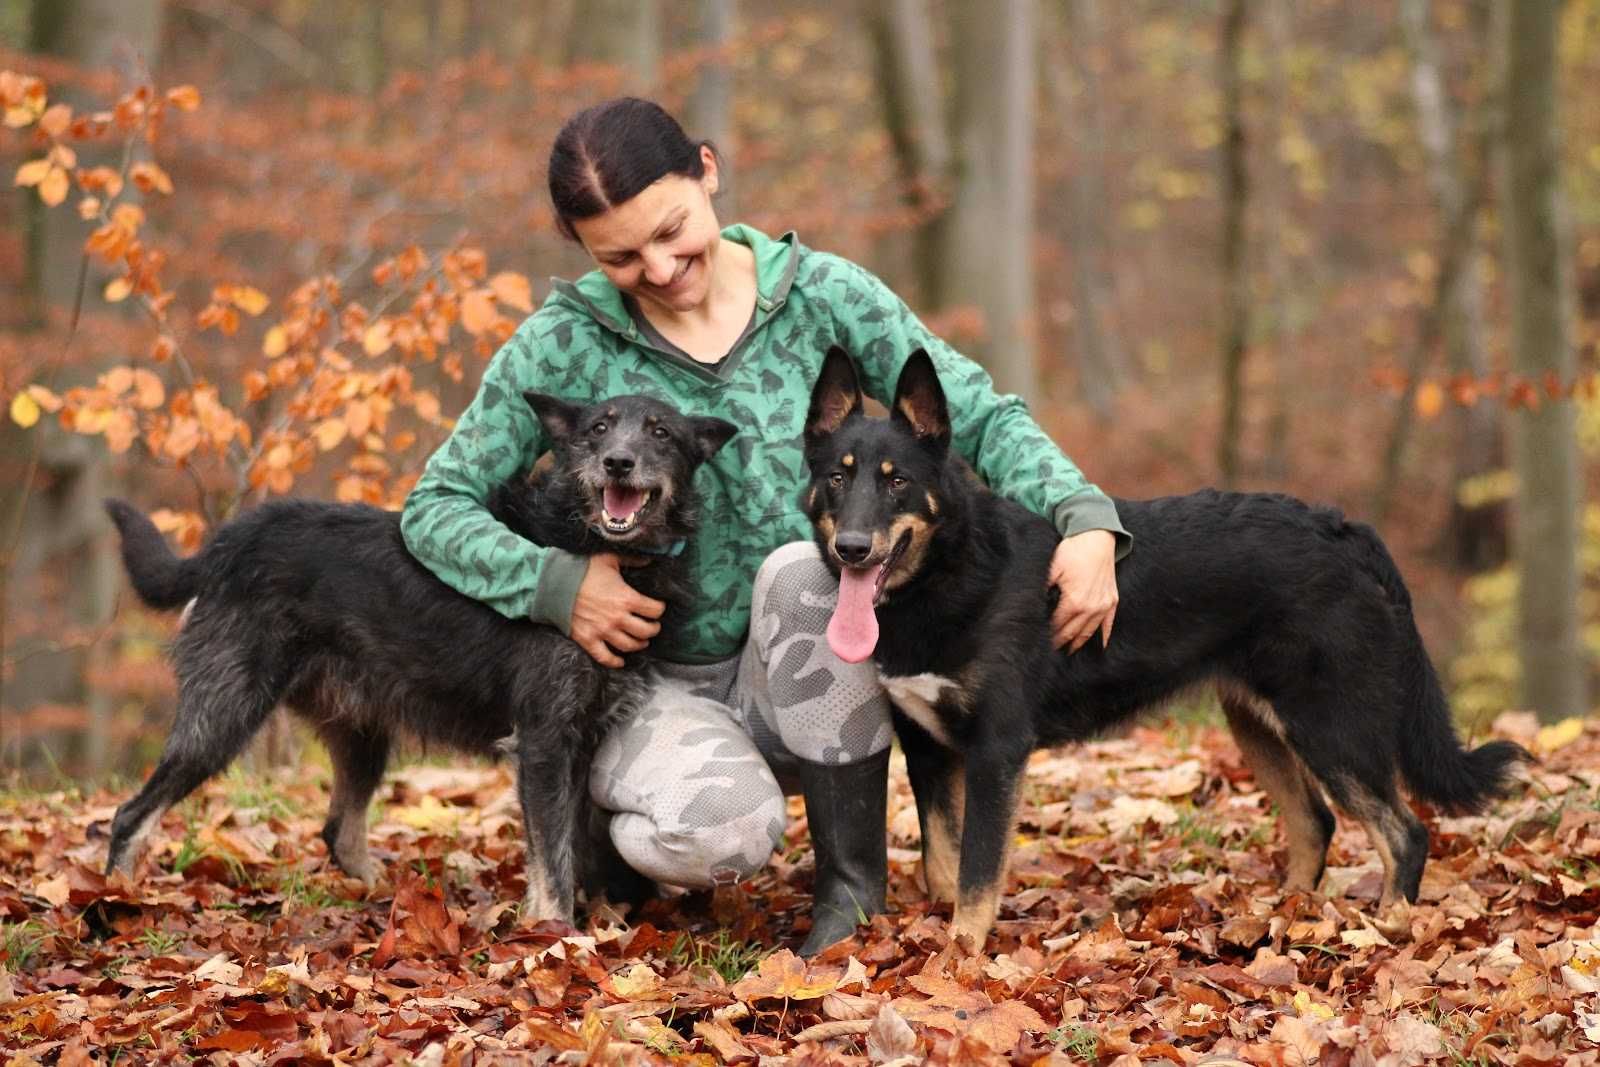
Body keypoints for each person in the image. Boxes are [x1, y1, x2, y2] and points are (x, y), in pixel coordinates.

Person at [400, 97, 1129, 955]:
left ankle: (851, 887)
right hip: (647, 685)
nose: (663, 268)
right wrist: (557, 586)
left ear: (707, 172)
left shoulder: (825, 295)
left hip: (813, 679)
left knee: (801, 565)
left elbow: (976, 416)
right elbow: (434, 505)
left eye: (673, 230)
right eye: (622, 258)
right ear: (582, 250)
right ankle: (620, 829)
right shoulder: (562, 343)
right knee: (719, 835)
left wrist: (1083, 517)